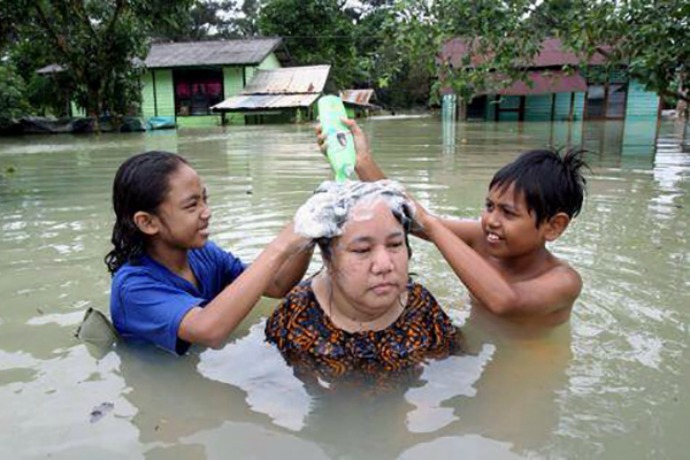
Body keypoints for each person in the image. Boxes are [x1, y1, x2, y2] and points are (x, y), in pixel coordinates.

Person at [317, 121, 588, 327]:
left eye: (508, 213)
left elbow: (505, 301)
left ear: (554, 226)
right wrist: (362, 162)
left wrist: (433, 226)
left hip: (529, 366)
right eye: (489, 206)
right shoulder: (481, 236)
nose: (491, 221)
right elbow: (415, 222)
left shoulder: (563, 281)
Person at [105, 151, 313, 355]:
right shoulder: (133, 289)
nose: (207, 212)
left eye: (205, 199)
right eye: (192, 205)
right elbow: (208, 330)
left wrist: (310, 230)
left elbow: (277, 285)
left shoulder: (203, 253)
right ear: (147, 222)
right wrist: (279, 247)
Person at [265, 180, 461, 387]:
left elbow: (451, 373)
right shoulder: (297, 314)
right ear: (328, 259)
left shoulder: (422, 309)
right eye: (362, 250)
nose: (384, 265)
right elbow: (275, 383)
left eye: (395, 244)